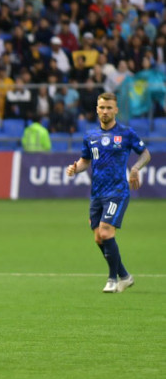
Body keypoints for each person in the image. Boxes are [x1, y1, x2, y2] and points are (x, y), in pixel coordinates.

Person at [65, 93, 151, 293]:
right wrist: (75, 168)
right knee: (98, 238)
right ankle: (125, 276)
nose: (105, 111)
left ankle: (112, 279)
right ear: (97, 109)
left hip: (118, 191)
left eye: (109, 108)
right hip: (97, 193)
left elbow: (145, 154)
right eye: (102, 107)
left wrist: (136, 168)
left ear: (116, 110)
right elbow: (85, 161)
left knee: (105, 231)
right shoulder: (90, 136)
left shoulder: (126, 133)